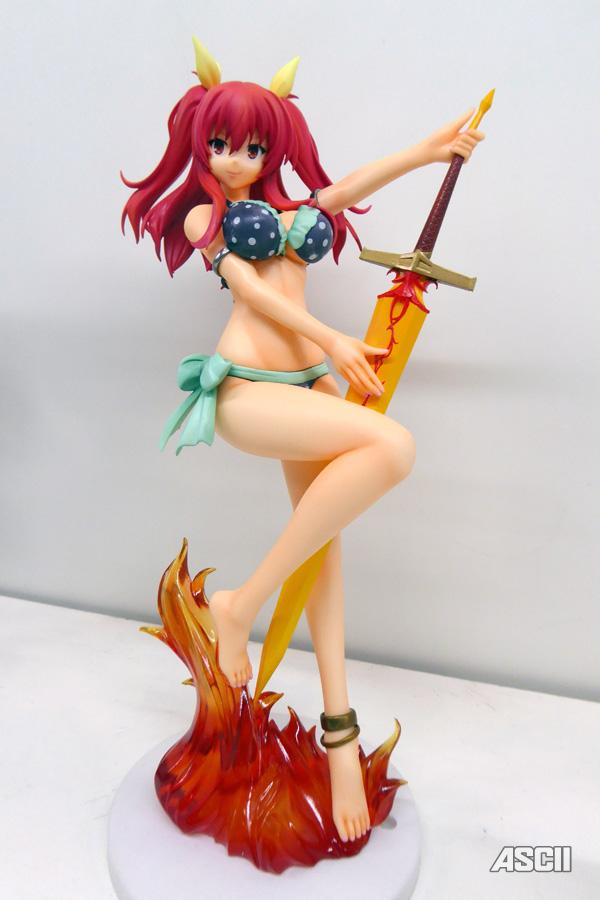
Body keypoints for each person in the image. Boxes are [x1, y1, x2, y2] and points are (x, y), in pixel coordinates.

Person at [121, 38, 484, 845]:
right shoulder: (206, 216)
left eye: (252, 146)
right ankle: (242, 604)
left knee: (325, 554)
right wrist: (331, 337)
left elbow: (349, 187)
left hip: (307, 388)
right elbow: (250, 289)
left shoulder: (297, 209)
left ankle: (339, 736)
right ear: (200, 143)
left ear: (273, 147)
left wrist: (430, 151)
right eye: (221, 143)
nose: (235, 158)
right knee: (392, 449)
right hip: (249, 392)